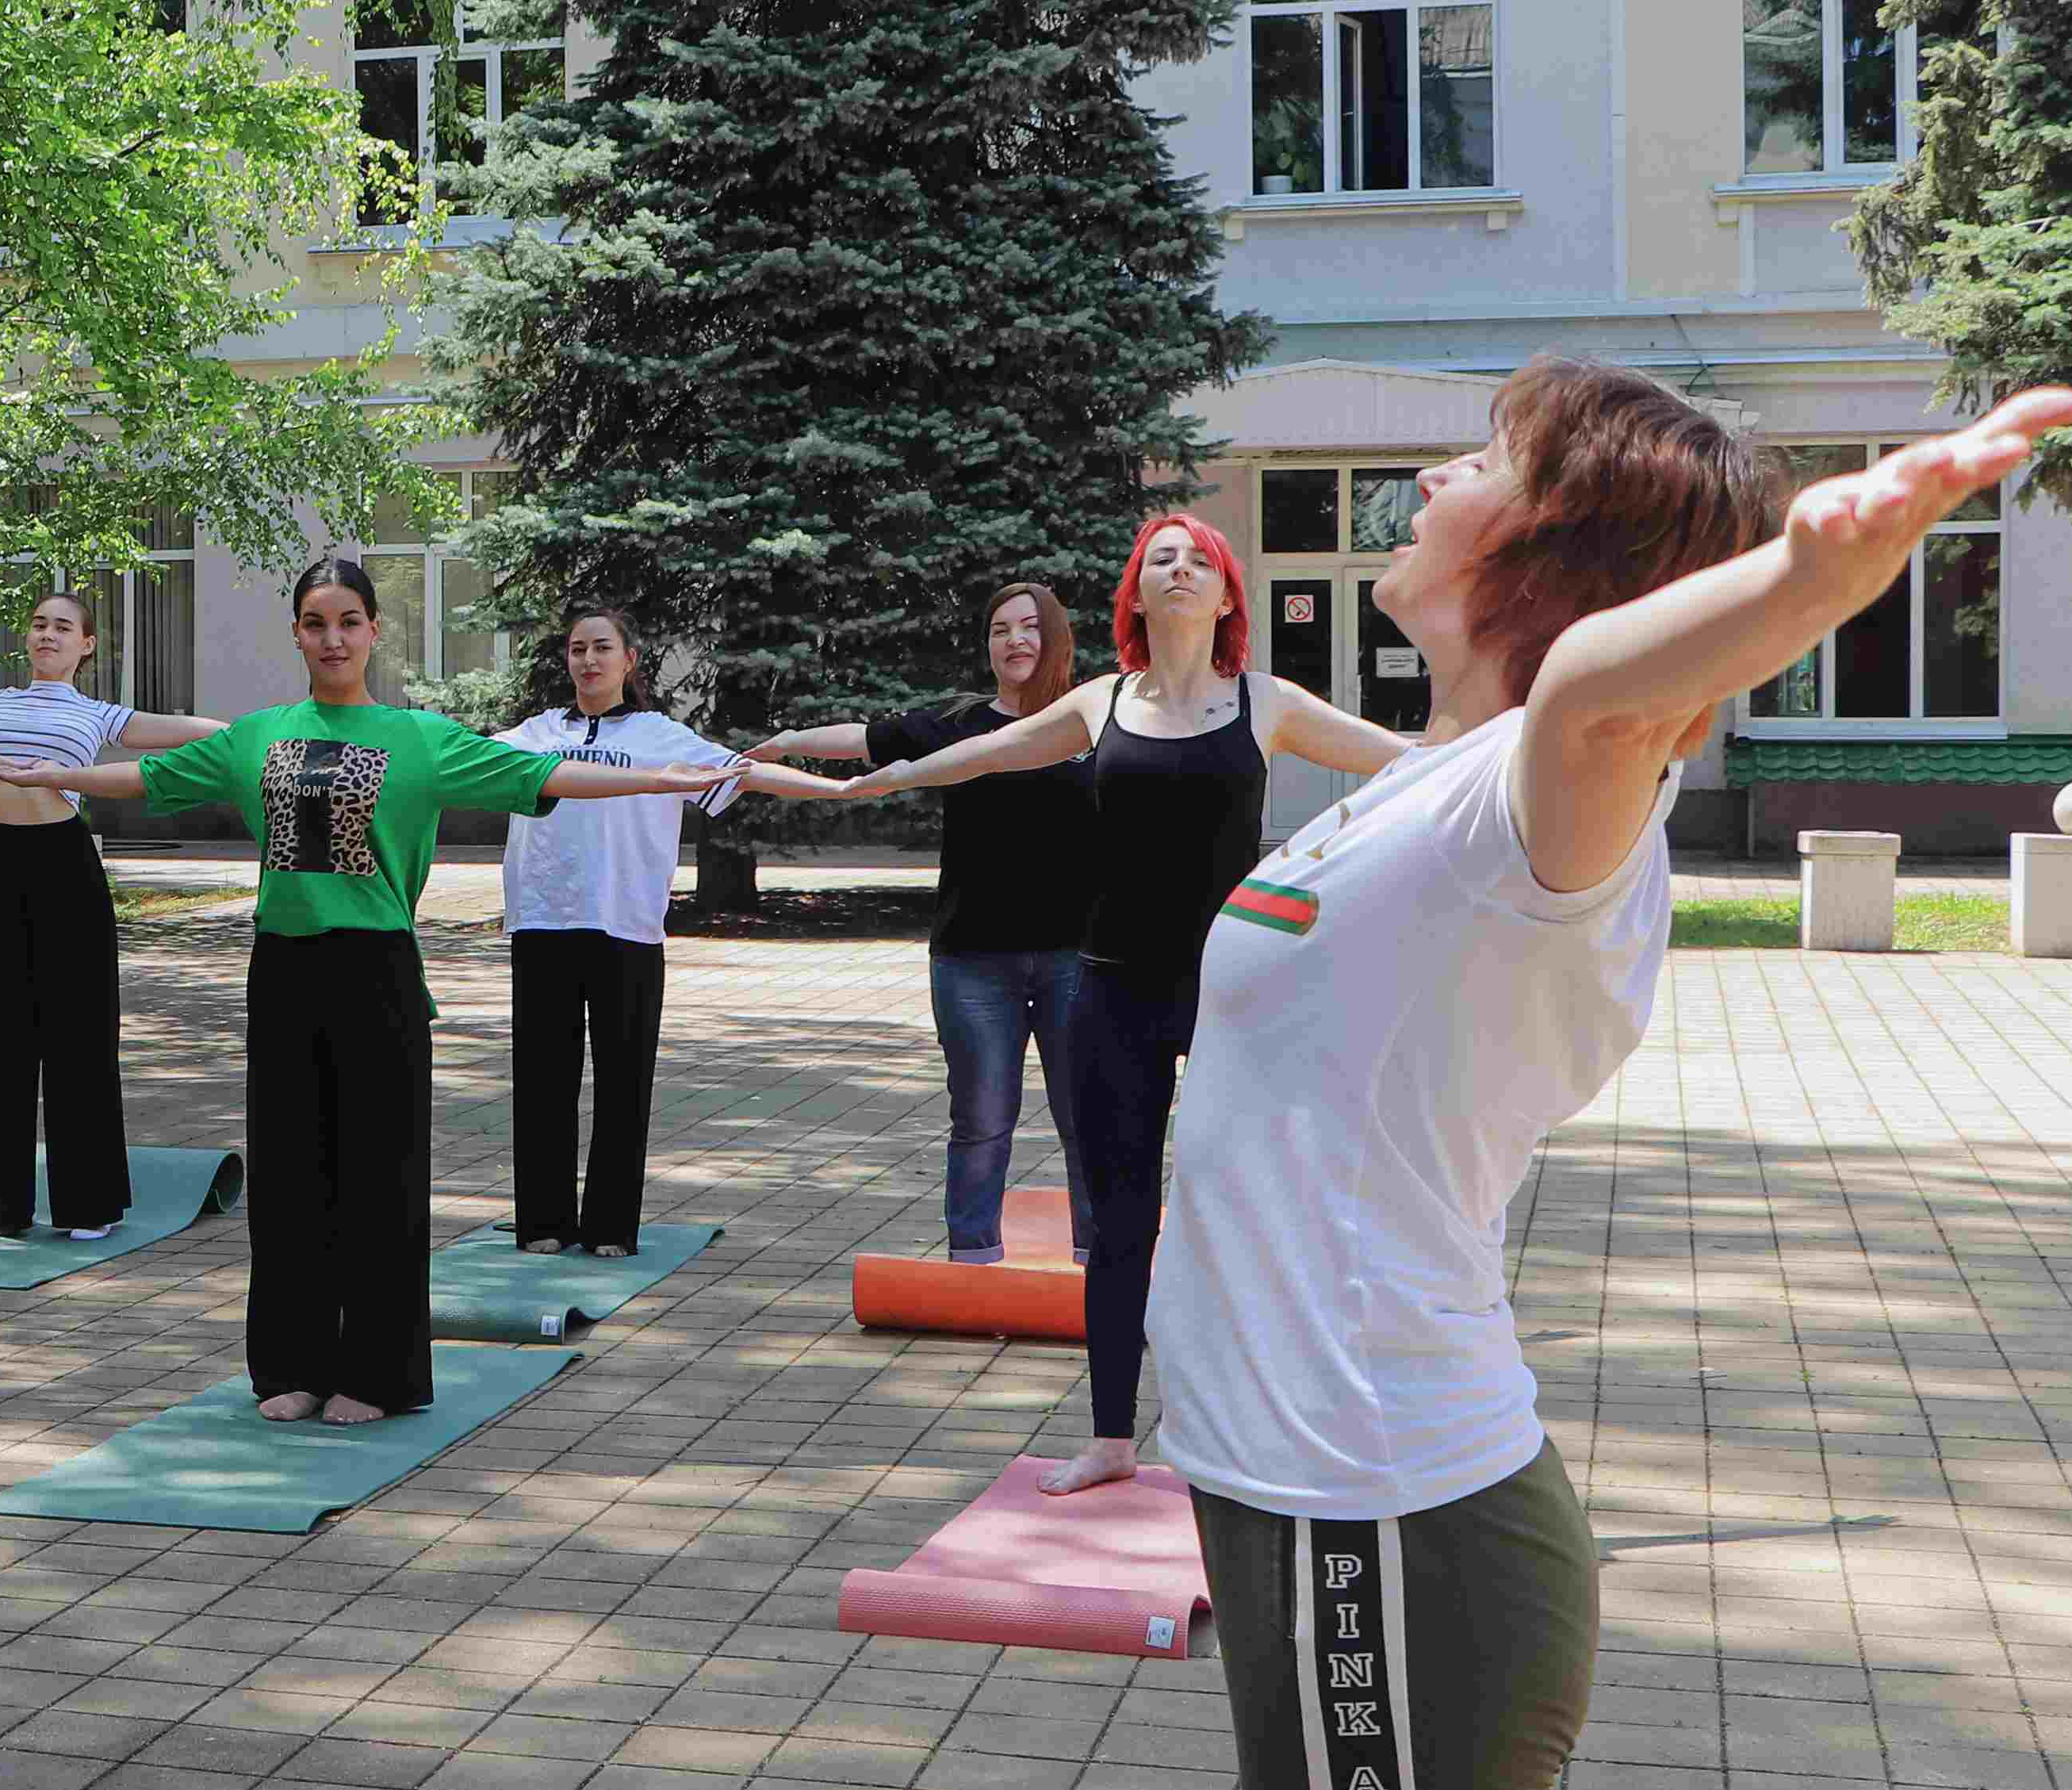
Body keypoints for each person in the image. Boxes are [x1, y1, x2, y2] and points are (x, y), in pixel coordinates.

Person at [1162, 366, 2071, 1790]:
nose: (1424, 473)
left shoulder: (1542, 794)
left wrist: (1812, 563)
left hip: (1383, 1546)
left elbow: (1600, 694)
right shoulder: (1425, 776)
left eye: (1478, 462)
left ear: (1556, 554)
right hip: (1324, 1521)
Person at [0, 557, 756, 1426]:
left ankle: (377, 1374)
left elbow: (544, 778)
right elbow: (148, 780)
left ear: (373, 630)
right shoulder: (258, 734)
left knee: (379, 1180)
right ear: (296, 634)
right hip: (281, 968)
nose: (332, 638)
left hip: (377, 971)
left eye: (348, 621)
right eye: (316, 623)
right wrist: (45, 777)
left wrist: (661, 779)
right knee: (286, 1180)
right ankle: (290, 1365)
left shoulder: (416, 738)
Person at [775, 512, 1407, 1493]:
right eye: (1162, 560)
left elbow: (1403, 763)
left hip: (1234, 995)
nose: (1183, 570)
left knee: (1252, 1211)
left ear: (1229, 594)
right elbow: (980, 753)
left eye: (1201, 560)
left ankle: (1275, 1428)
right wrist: (869, 785)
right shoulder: (1100, 704)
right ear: (1135, 596)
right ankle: (1112, 1439)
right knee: (1117, 1225)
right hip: (1110, 989)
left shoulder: (1265, 701)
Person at [746, 582, 1101, 1266]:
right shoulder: (961, 721)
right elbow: (864, 739)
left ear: (1054, 637)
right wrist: (786, 741)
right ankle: (972, 1259)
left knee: (1086, 1118)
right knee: (980, 1122)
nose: (1014, 640)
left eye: (1029, 627)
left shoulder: (1091, 722)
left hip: (1076, 960)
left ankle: (1100, 1260)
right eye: (1000, 629)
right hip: (973, 960)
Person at [0, 590, 223, 1240]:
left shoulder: (98, 714)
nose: (48, 634)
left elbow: (188, 730)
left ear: (87, 645)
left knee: (78, 1033)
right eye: (39, 623)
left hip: (63, 866)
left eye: (64, 627)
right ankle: (8, 1209)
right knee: (1, 1035)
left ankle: (88, 1203)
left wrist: (263, 730)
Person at [493, 608, 744, 1256]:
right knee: (542, 1079)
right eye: (577, 648)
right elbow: (461, 762)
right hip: (543, 920)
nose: (588, 660)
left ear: (630, 659)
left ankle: (609, 1226)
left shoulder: (662, 735)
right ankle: (544, 1222)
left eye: (602, 647)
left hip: (627, 925)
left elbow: (736, 775)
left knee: (623, 1081)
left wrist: (826, 778)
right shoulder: (536, 732)